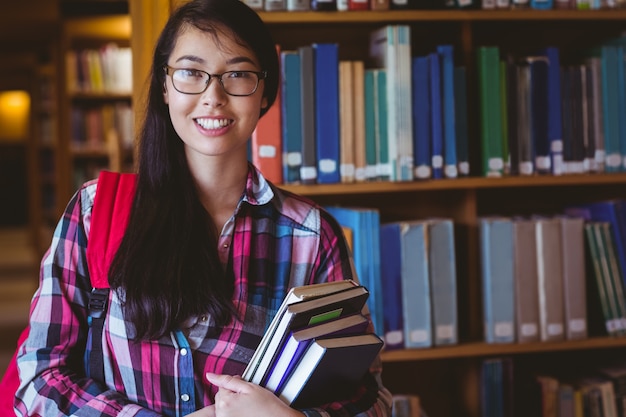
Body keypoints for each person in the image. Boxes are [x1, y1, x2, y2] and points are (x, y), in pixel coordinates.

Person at [15, 0, 393, 416]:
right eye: (191, 73)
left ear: (264, 91)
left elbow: (368, 396)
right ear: (164, 85)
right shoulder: (93, 213)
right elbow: (38, 377)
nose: (213, 97)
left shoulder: (311, 235)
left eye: (237, 74)